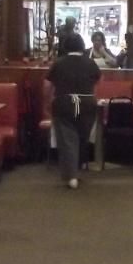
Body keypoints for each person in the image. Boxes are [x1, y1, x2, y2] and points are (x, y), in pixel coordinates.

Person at [45, 33, 101, 190]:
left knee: (68, 139)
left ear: (65, 46)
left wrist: (47, 102)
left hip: (64, 103)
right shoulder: (90, 63)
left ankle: (72, 175)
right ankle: (78, 169)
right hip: (87, 103)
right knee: (82, 138)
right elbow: (98, 80)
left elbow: (49, 85)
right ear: (82, 46)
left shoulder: (59, 63)